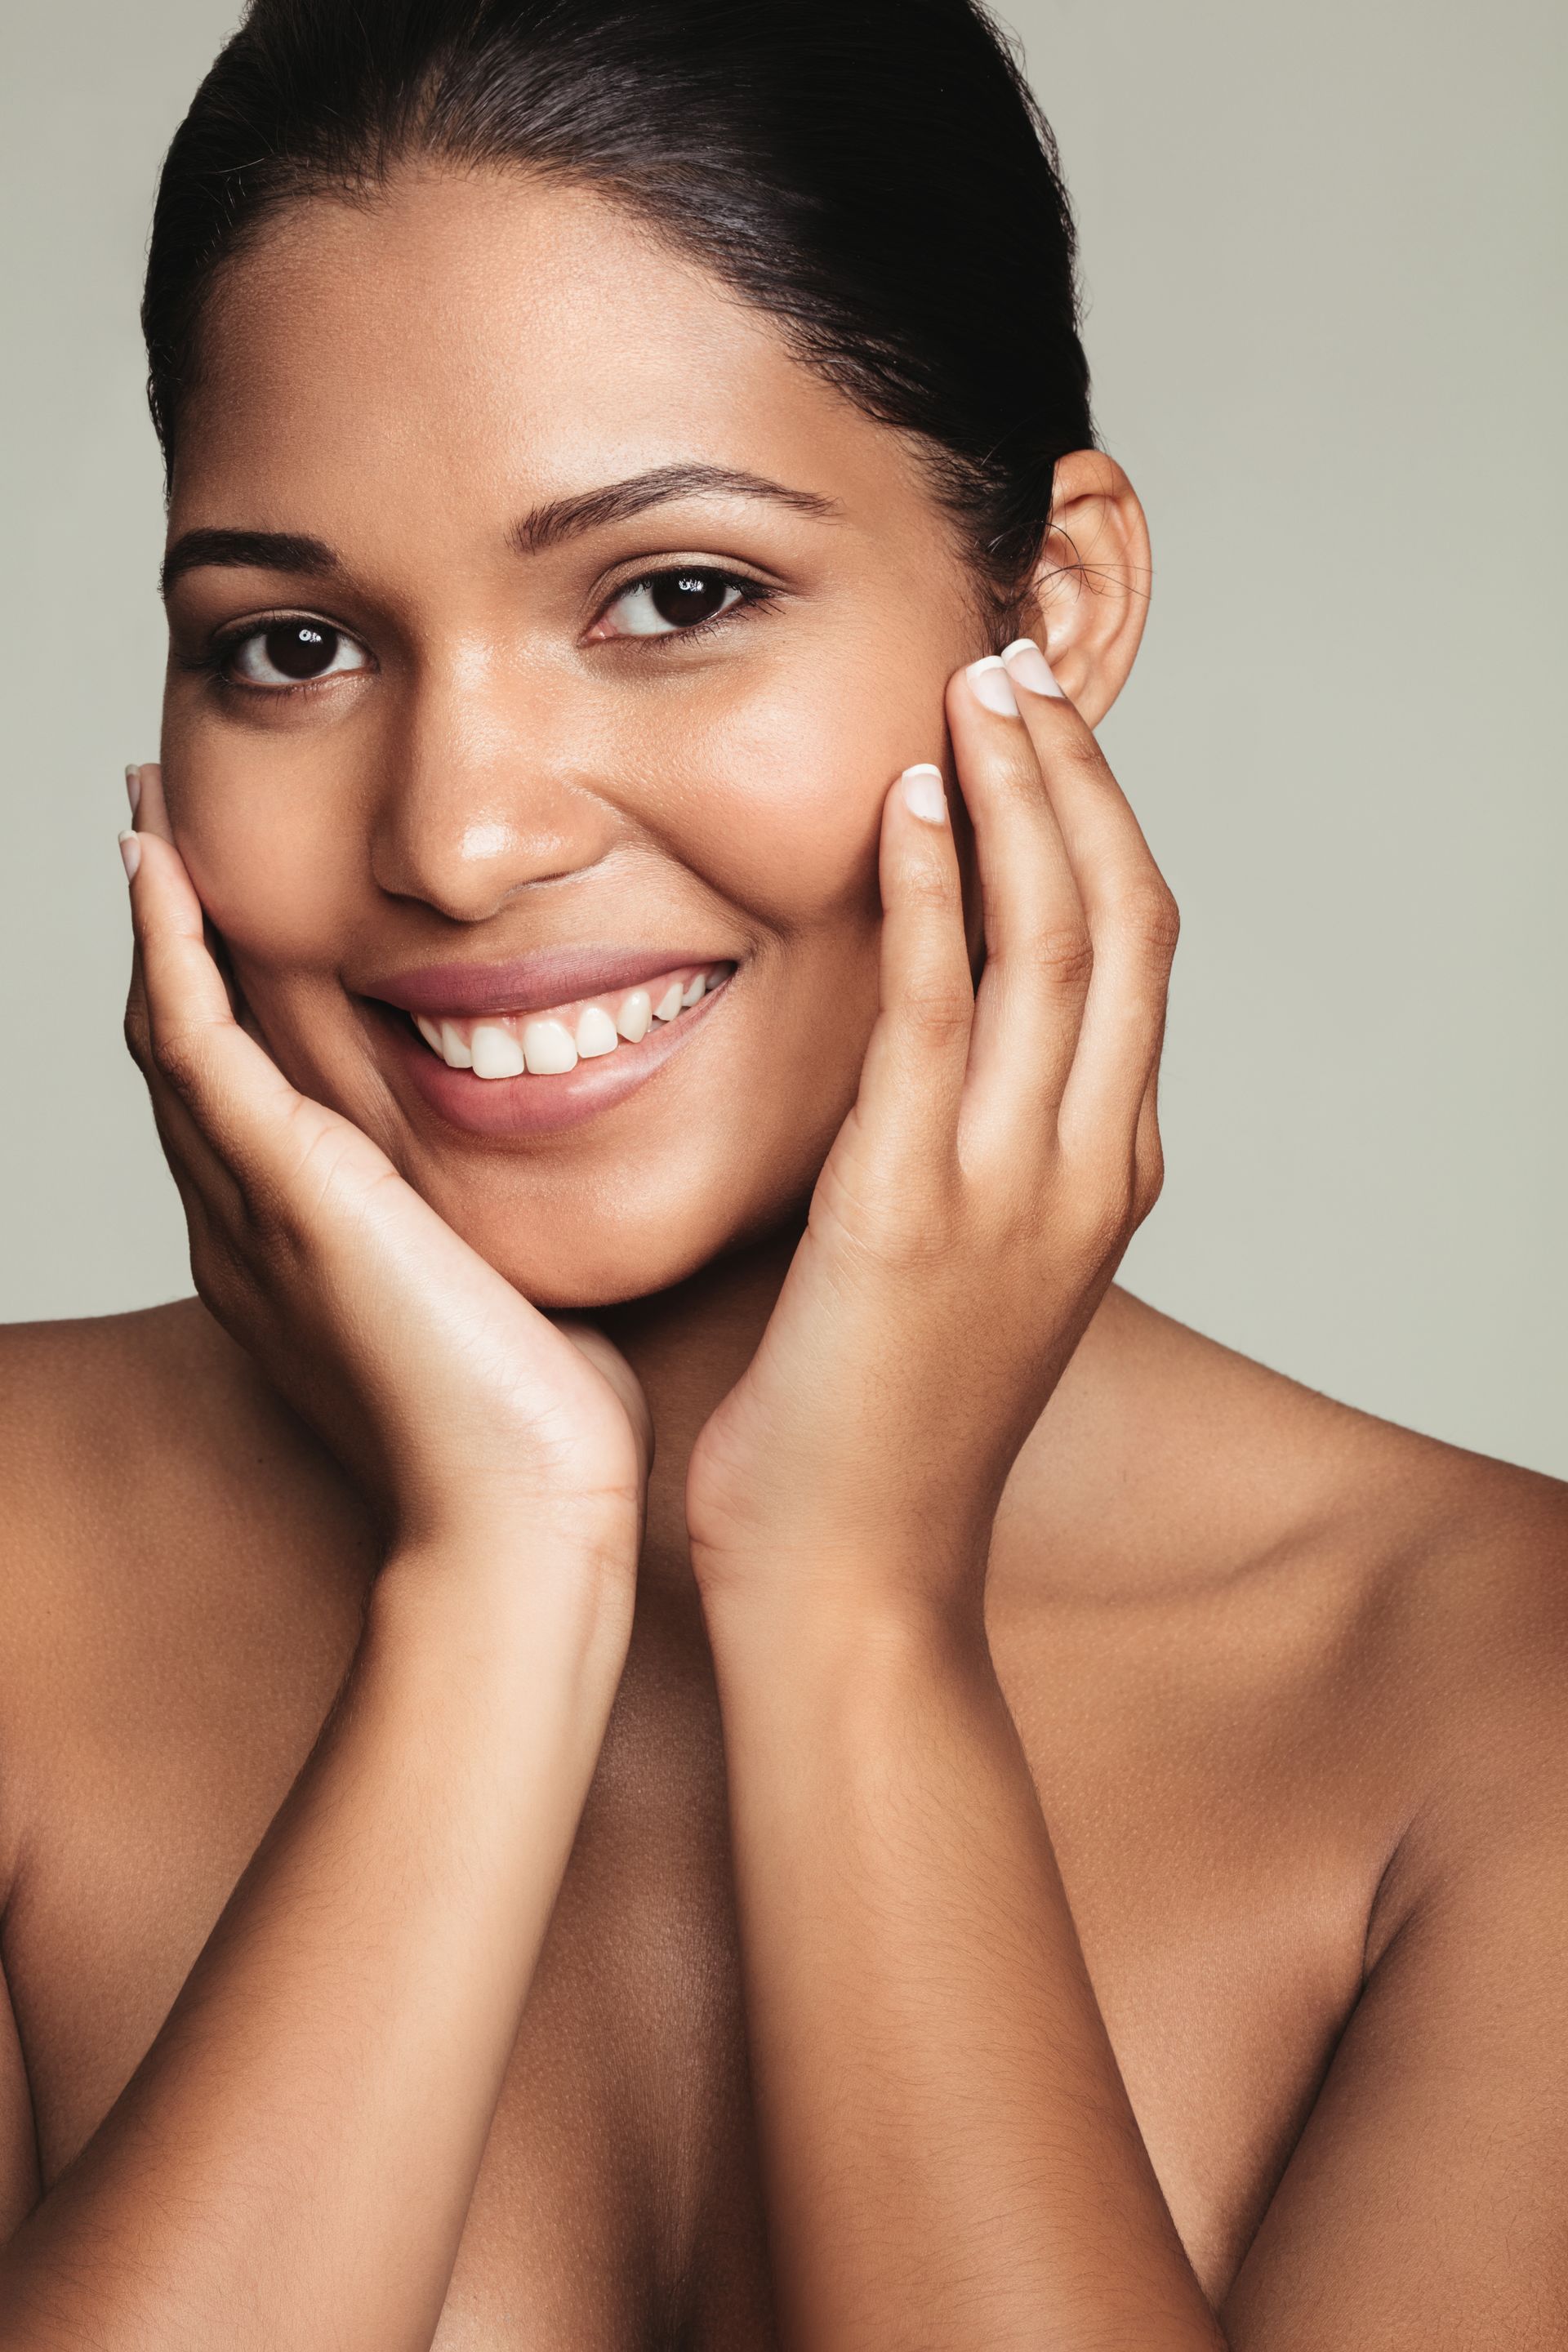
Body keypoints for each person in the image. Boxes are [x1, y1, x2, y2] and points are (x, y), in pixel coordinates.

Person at [1, 0, 1565, 2343]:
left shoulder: (1491, 1703)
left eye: (674, 597)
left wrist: (849, 1606)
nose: (460, 834)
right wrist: (495, 1584)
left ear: (1053, 612)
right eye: (295, 644)